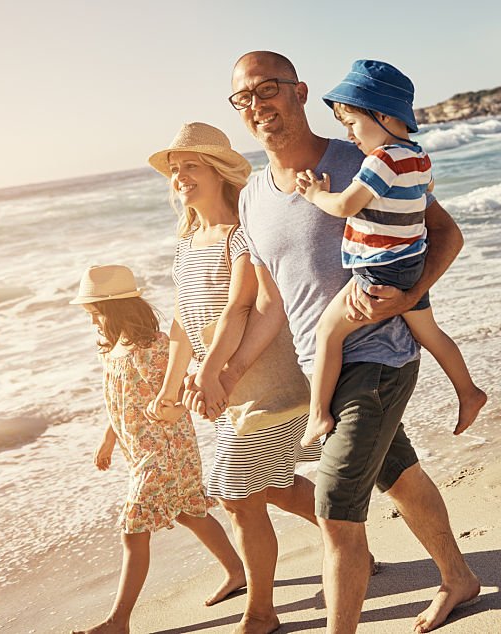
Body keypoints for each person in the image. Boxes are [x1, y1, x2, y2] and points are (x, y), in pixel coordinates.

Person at [185, 51, 481, 634]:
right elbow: (270, 302)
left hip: (379, 355)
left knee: (336, 511)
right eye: (243, 97)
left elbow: (446, 233)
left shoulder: (361, 159)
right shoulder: (252, 197)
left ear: (299, 92)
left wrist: (408, 294)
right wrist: (226, 369)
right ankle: (458, 577)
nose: (257, 104)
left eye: (268, 89)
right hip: (321, 366)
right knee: (400, 476)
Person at [144, 122, 322, 634]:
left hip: (262, 386)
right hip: (220, 387)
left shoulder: (244, 232)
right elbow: (183, 319)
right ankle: (349, 538)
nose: (180, 178)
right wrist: (171, 385)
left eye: (190, 167)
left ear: (219, 171)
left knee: (238, 496)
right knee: (274, 487)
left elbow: (237, 311)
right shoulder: (187, 240)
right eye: (175, 171)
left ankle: (262, 612)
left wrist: (211, 372)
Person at [294, 59, 486, 449]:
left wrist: (315, 193)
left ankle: (318, 416)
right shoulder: (418, 156)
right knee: (430, 333)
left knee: (328, 332)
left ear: (381, 115)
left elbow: (347, 205)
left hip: (378, 271)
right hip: (409, 265)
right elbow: (421, 194)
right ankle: (468, 391)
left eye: (352, 124)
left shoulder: (381, 159)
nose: (349, 135)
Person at [69, 264, 245, 634]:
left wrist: (176, 408)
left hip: (166, 450)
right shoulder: (110, 348)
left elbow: (183, 391)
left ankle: (119, 621)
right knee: (188, 512)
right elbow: (119, 401)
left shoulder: (154, 347)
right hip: (139, 452)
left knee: (133, 529)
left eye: (95, 314)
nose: (93, 323)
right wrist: (108, 438)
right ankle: (237, 571)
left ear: (116, 310)